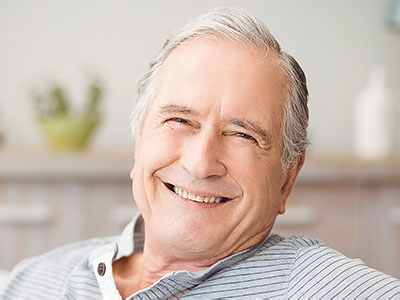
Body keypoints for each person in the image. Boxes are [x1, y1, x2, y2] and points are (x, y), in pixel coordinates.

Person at [1, 7, 400, 299]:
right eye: (179, 121)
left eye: (243, 134)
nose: (199, 162)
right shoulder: (34, 280)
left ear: (287, 179)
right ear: (140, 140)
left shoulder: (315, 287)